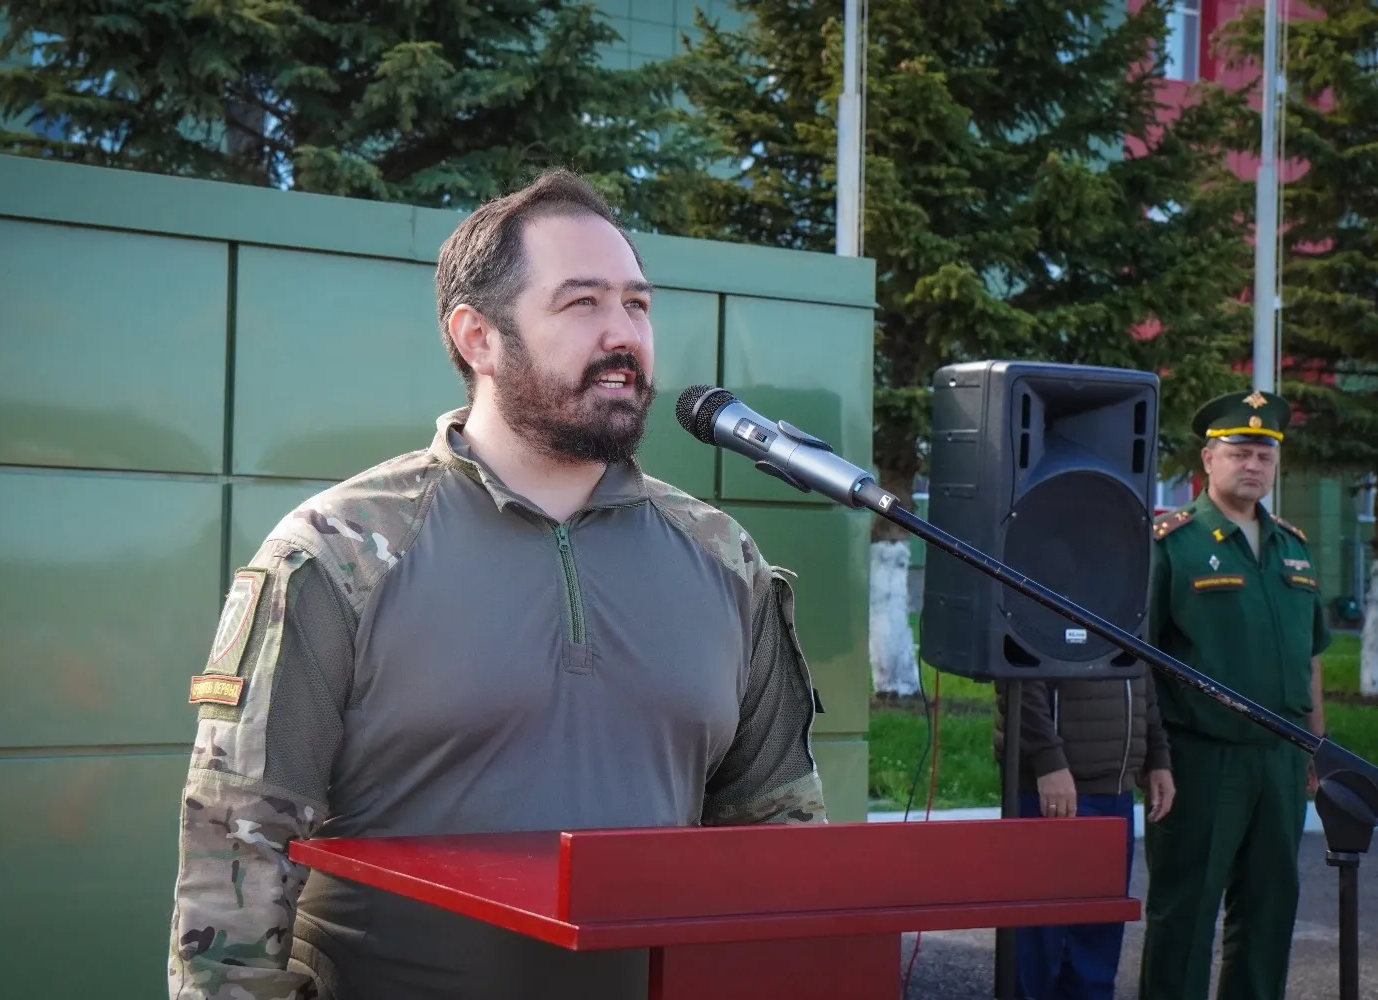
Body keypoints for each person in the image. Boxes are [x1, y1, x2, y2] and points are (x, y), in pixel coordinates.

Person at [165, 169, 828, 1000]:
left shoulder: (723, 558)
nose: (623, 334)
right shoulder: (339, 552)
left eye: (637, 304)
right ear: (477, 336)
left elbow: (780, 847)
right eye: (582, 303)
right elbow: (235, 852)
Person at [1138, 389, 1329, 1000]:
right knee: (1186, 912)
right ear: (1208, 459)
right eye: (1239, 452)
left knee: (1270, 910)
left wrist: (1316, 745)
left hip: (1281, 758)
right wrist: (1153, 756)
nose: (1253, 465)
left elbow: (1311, 655)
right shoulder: (1172, 542)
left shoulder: (1292, 547)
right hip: (1200, 759)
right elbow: (1138, 660)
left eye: (1264, 456)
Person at [992, 660, 1176, 999]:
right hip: (1050, 787)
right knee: (1035, 943)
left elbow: (1142, 673)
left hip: (1115, 791)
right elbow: (1017, 675)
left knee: (1096, 944)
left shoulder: (1131, 619)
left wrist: (1157, 755)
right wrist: (1048, 759)